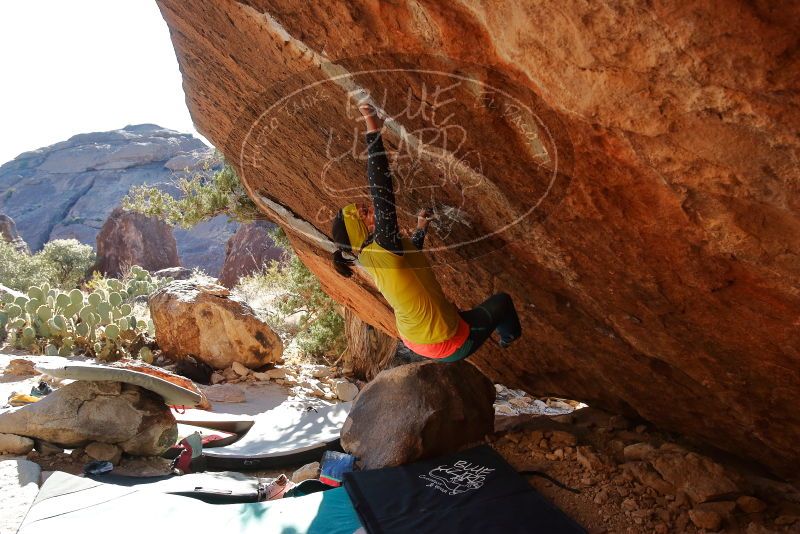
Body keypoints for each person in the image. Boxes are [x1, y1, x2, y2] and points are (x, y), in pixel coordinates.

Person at [330, 103, 521, 362]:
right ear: (359, 230)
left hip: (418, 336)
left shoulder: (374, 254)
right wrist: (372, 127)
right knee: (502, 303)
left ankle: (467, 324)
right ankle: (509, 338)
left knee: (460, 312)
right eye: (365, 213)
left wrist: (421, 227)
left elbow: (409, 262)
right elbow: (382, 190)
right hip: (446, 342)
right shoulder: (382, 249)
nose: (373, 209)